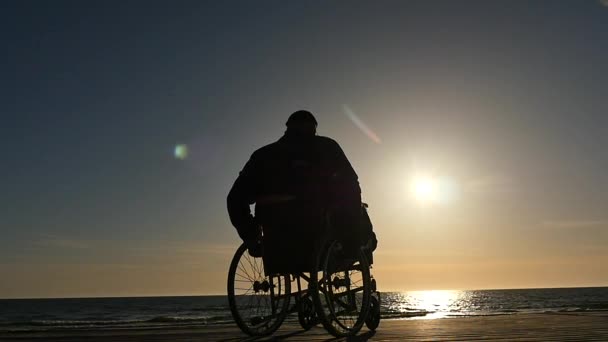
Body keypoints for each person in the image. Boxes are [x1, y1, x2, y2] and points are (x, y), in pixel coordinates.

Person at [227, 110, 374, 261]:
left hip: (276, 236)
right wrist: (351, 238)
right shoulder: (327, 147)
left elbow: (235, 199)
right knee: (356, 204)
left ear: (287, 128)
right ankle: (354, 248)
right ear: (314, 129)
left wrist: (251, 236)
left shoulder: (262, 155)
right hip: (319, 231)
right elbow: (350, 184)